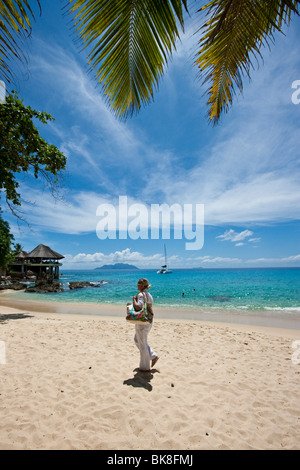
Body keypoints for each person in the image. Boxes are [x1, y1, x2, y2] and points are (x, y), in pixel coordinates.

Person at [132, 278, 159, 372]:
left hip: (142, 321)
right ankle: (153, 356)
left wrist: (134, 300)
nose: (137, 285)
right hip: (149, 320)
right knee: (137, 340)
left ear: (142, 286)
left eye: (138, 284)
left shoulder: (140, 295)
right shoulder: (149, 295)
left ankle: (145, 368)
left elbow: (138, 306)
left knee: (142, 344)